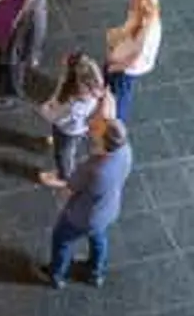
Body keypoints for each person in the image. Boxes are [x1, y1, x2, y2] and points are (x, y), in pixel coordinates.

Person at [37, 113, 132, 289]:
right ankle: (95, 273)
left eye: (97, 130)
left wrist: (58, 191)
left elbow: (70, 188)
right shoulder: (125, 150)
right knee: (98, 237)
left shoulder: (94, 168)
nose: (92, 129)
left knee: (62, 240)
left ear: (104, 144)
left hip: (82, 216)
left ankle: (55, 275)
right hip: (108, 209)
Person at [38, 52, 106, 189]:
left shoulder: (73, 105)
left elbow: (57, 118)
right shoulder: (90, 90)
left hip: (68, 131)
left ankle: (65, 176)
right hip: (73, 127)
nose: (63, 63)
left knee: (63, 154)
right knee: (65, 145)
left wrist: (44, 109)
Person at [0, 0, 48, 107]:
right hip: (0, 34)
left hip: (15, 45)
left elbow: (37, 33)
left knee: (13, 70)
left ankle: (11, 93)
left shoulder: (34, 9)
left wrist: (33, 55)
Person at [105, 0, 162, 123]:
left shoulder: (149, 33)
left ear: (143, 10)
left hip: (124, 69)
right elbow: (128, 30)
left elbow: (135, 59)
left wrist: (115, 67)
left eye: (134, 4)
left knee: (120, 94)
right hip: (117, 59)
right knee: (109, 84)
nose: (130, 5)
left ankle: (116, 122)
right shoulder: (137, 16)